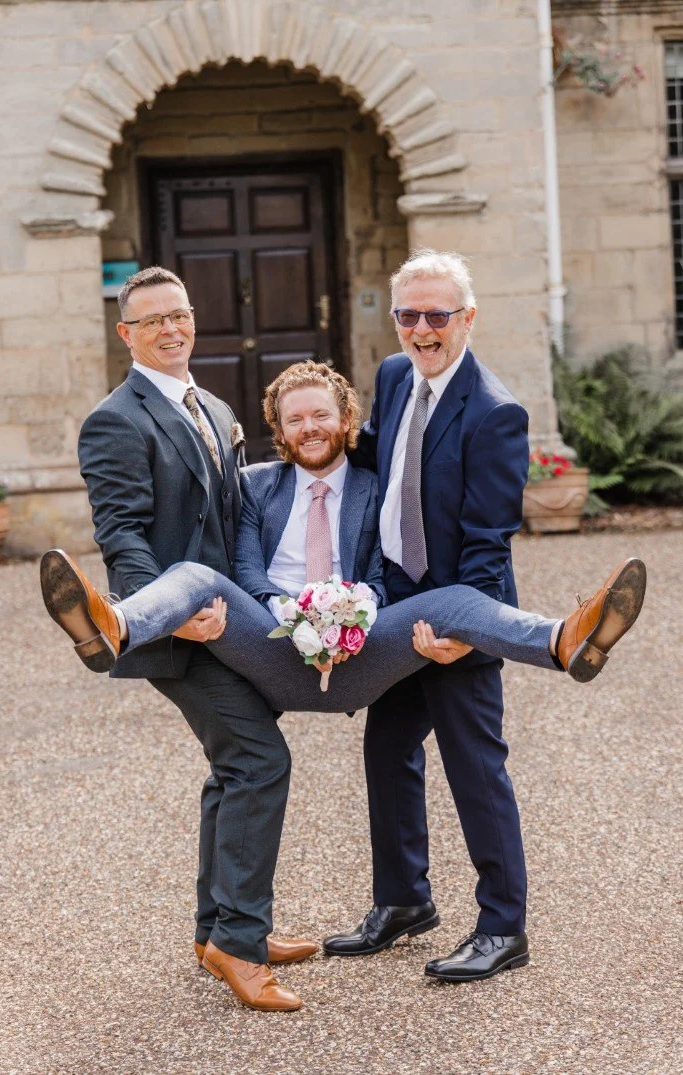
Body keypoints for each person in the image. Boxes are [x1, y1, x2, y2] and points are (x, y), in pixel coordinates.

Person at [44, 361, 645, 729]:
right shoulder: (257, 488)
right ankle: (115, 626)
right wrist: (297, 618)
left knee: (452, 598)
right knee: (195, 575)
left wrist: (349, 619)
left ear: (345, 418)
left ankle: (562, 640)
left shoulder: (376, 488)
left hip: (364, 651)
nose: (309, 428)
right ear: (278, 432)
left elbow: (387, 574)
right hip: (270, 646)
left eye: (320, 415)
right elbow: (250, 574)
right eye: (295, 419)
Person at [74, 265, 317, 1015]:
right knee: (258, 757)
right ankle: (243, 945)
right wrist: (169, 610)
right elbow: (122, 534)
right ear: (127, 334)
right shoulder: (115, 419)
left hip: (231, 620)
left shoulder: (211, 405)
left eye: (178, 314)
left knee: (231, 764)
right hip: (174, 633)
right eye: (152, 321)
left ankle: (218, 930)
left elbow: (233, 517)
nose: (171, 329)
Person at [322, 248, 565, 982]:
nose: (422, 329)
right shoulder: (396, 377)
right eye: (409, 314)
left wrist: (464, 634)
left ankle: (503, 926)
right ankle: (403, 901)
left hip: (459, 610)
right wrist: (322, 441)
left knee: (474, 765)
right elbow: (383, 458)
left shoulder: (495, 412)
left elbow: (490, 541)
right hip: (396, 601)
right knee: (387, 748)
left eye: (437, 314)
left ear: (468, 318)